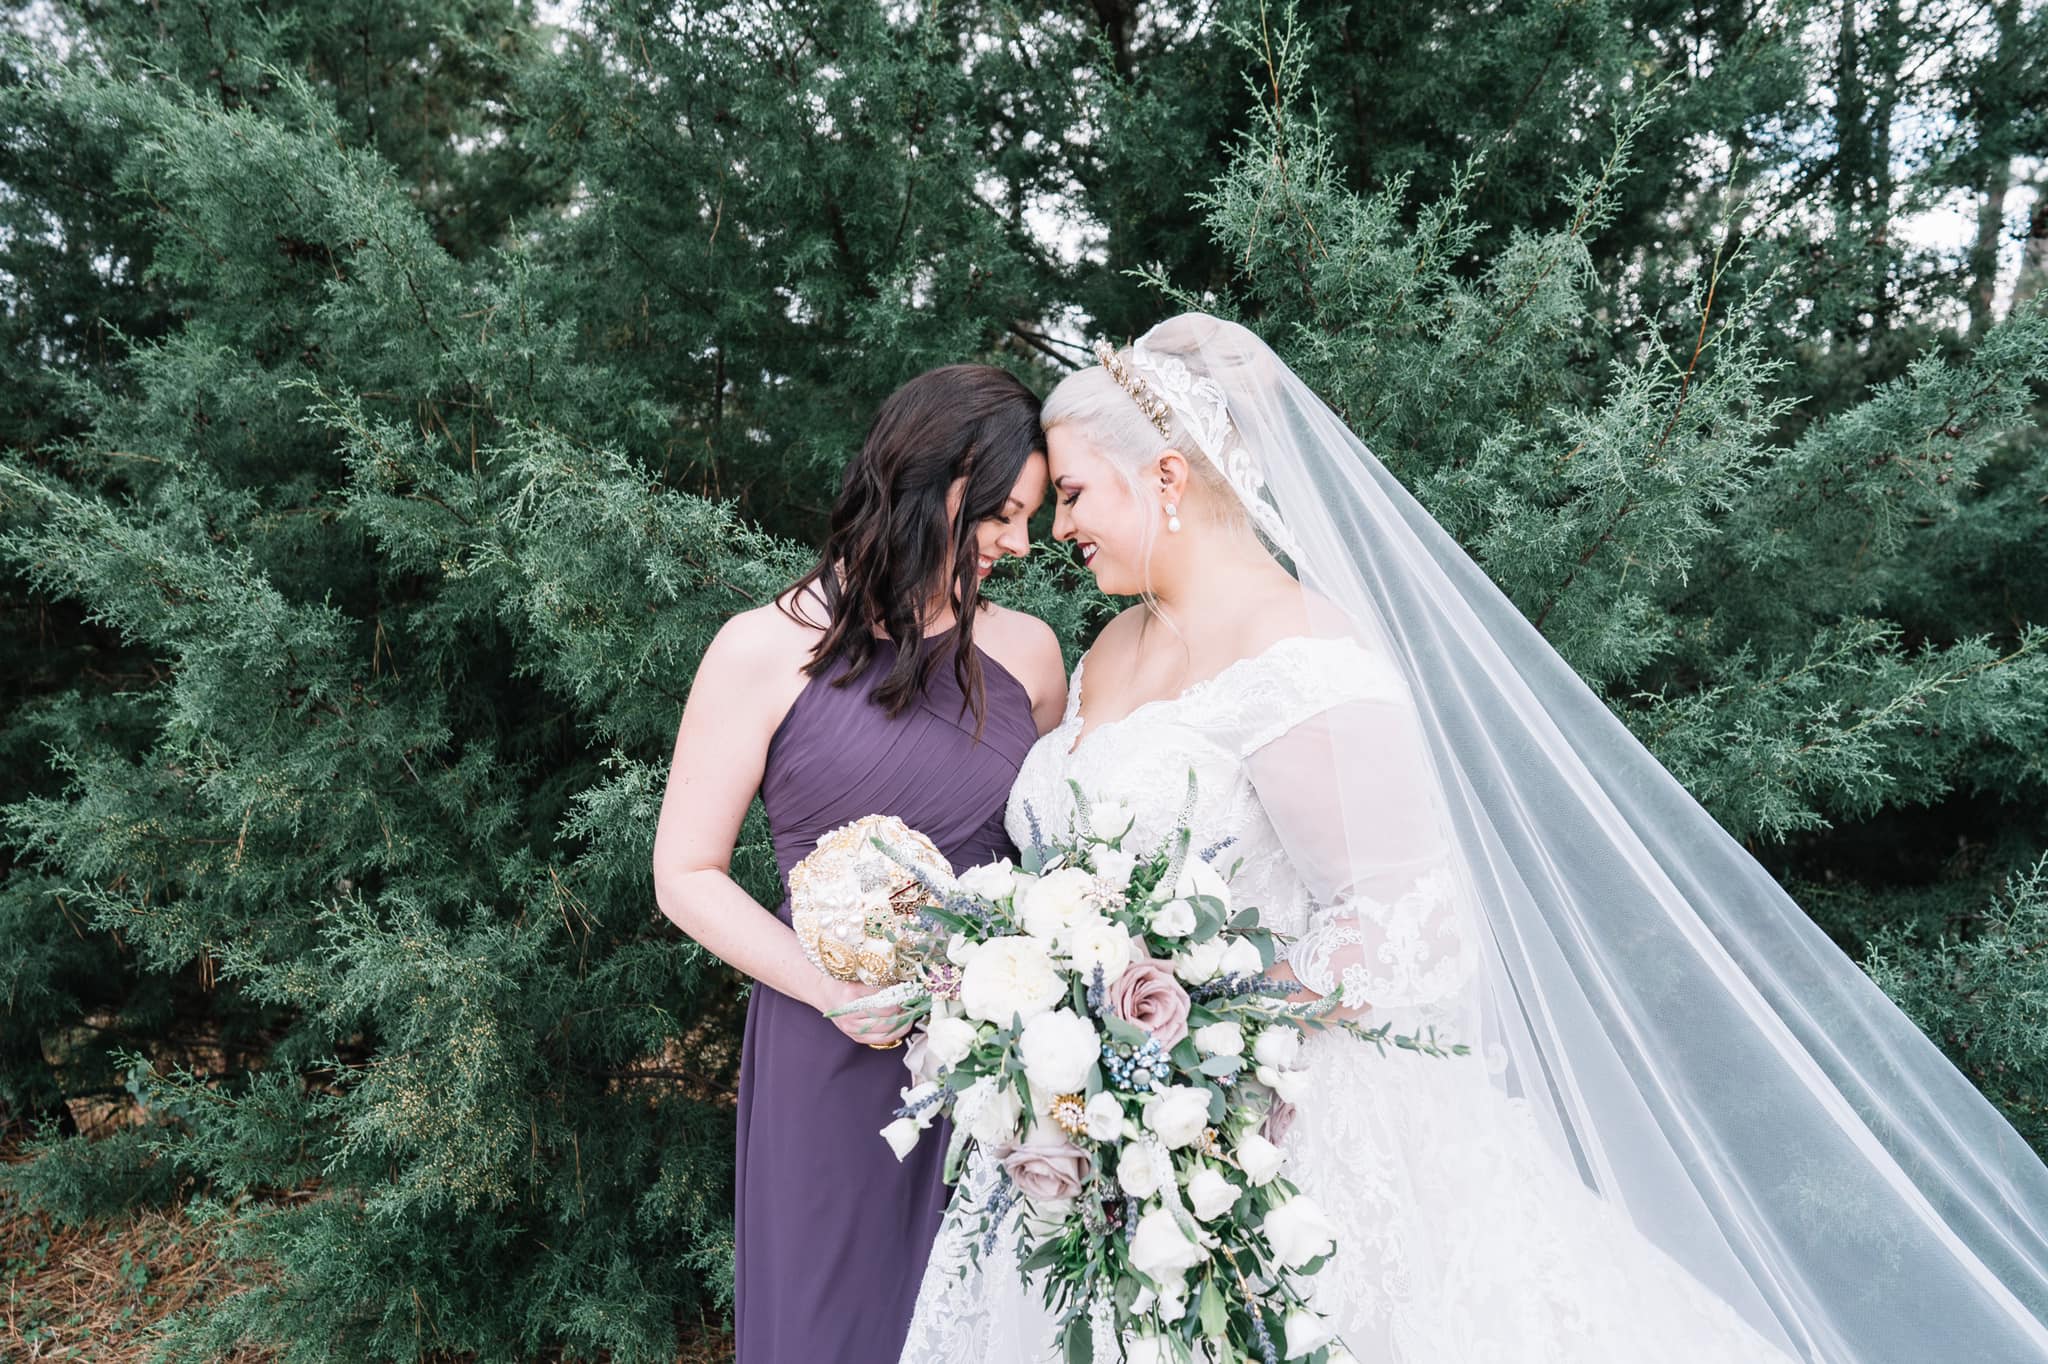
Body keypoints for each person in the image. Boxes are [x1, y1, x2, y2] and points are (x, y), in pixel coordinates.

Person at [896, 315, 2048, 1363]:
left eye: (1073, 494)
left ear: (1164, 475)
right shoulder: (1106, 651)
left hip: (1268, 1128)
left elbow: (1414, 919)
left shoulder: (1299, 654)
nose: (1058, 528)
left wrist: (1196, 1020)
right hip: (1097, 1132)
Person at [652, 362, 1066, 1364]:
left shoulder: (1031, 657)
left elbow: (1049, 862)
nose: (1020, 543)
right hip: (828, 1049)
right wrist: (830, 991)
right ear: (935, 482)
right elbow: (686, 872)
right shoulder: (760, 648)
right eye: (1005, 514)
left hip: (991, 1068)